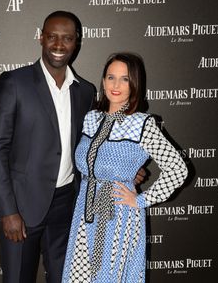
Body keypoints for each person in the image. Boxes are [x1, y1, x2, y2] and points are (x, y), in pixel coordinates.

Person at [0, 11, 145, 283]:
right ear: (41, 38)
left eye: (67, 38)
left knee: (66, 278)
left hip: (69, 206)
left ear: (76, 42)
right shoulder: (14, 83)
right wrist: (7, 211)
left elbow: (93, 143)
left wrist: (126, 169)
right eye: (52, 37)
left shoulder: (85, 91)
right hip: (22, 207)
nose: (59, 45)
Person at [62, 52, 188, 283]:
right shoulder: (91, 118)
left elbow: (178, 170)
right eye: (111, 77)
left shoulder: (142, 123)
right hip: (84, 210)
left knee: (106, 277)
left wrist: (140, 200)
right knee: (79, 276)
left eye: (125, 79)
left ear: (135, 84)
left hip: (115, 214)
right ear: (103, 81)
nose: (116, 85)